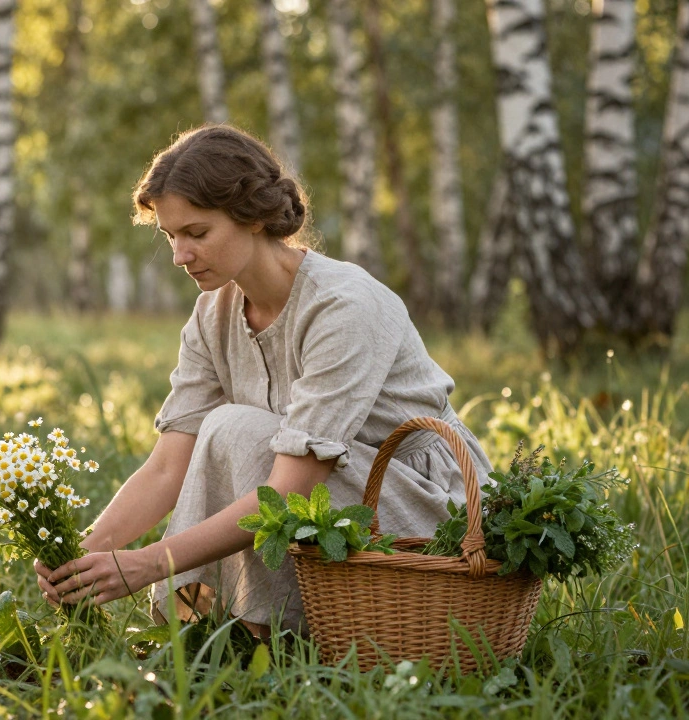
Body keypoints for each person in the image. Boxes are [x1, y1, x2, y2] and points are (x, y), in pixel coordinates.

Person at [35, 124, 494, 636]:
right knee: (227, 435)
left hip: (429, 513)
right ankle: (196, 633)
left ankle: (240, 633)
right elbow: (170, 466)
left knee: (236, 431)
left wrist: (148, 563)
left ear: (253, 217)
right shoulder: (213, 314)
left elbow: (291, 491)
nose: (178, 255)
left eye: (197, 233)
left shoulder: (344, 306)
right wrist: (81, 554)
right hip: (328, 506)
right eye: (170, 236)